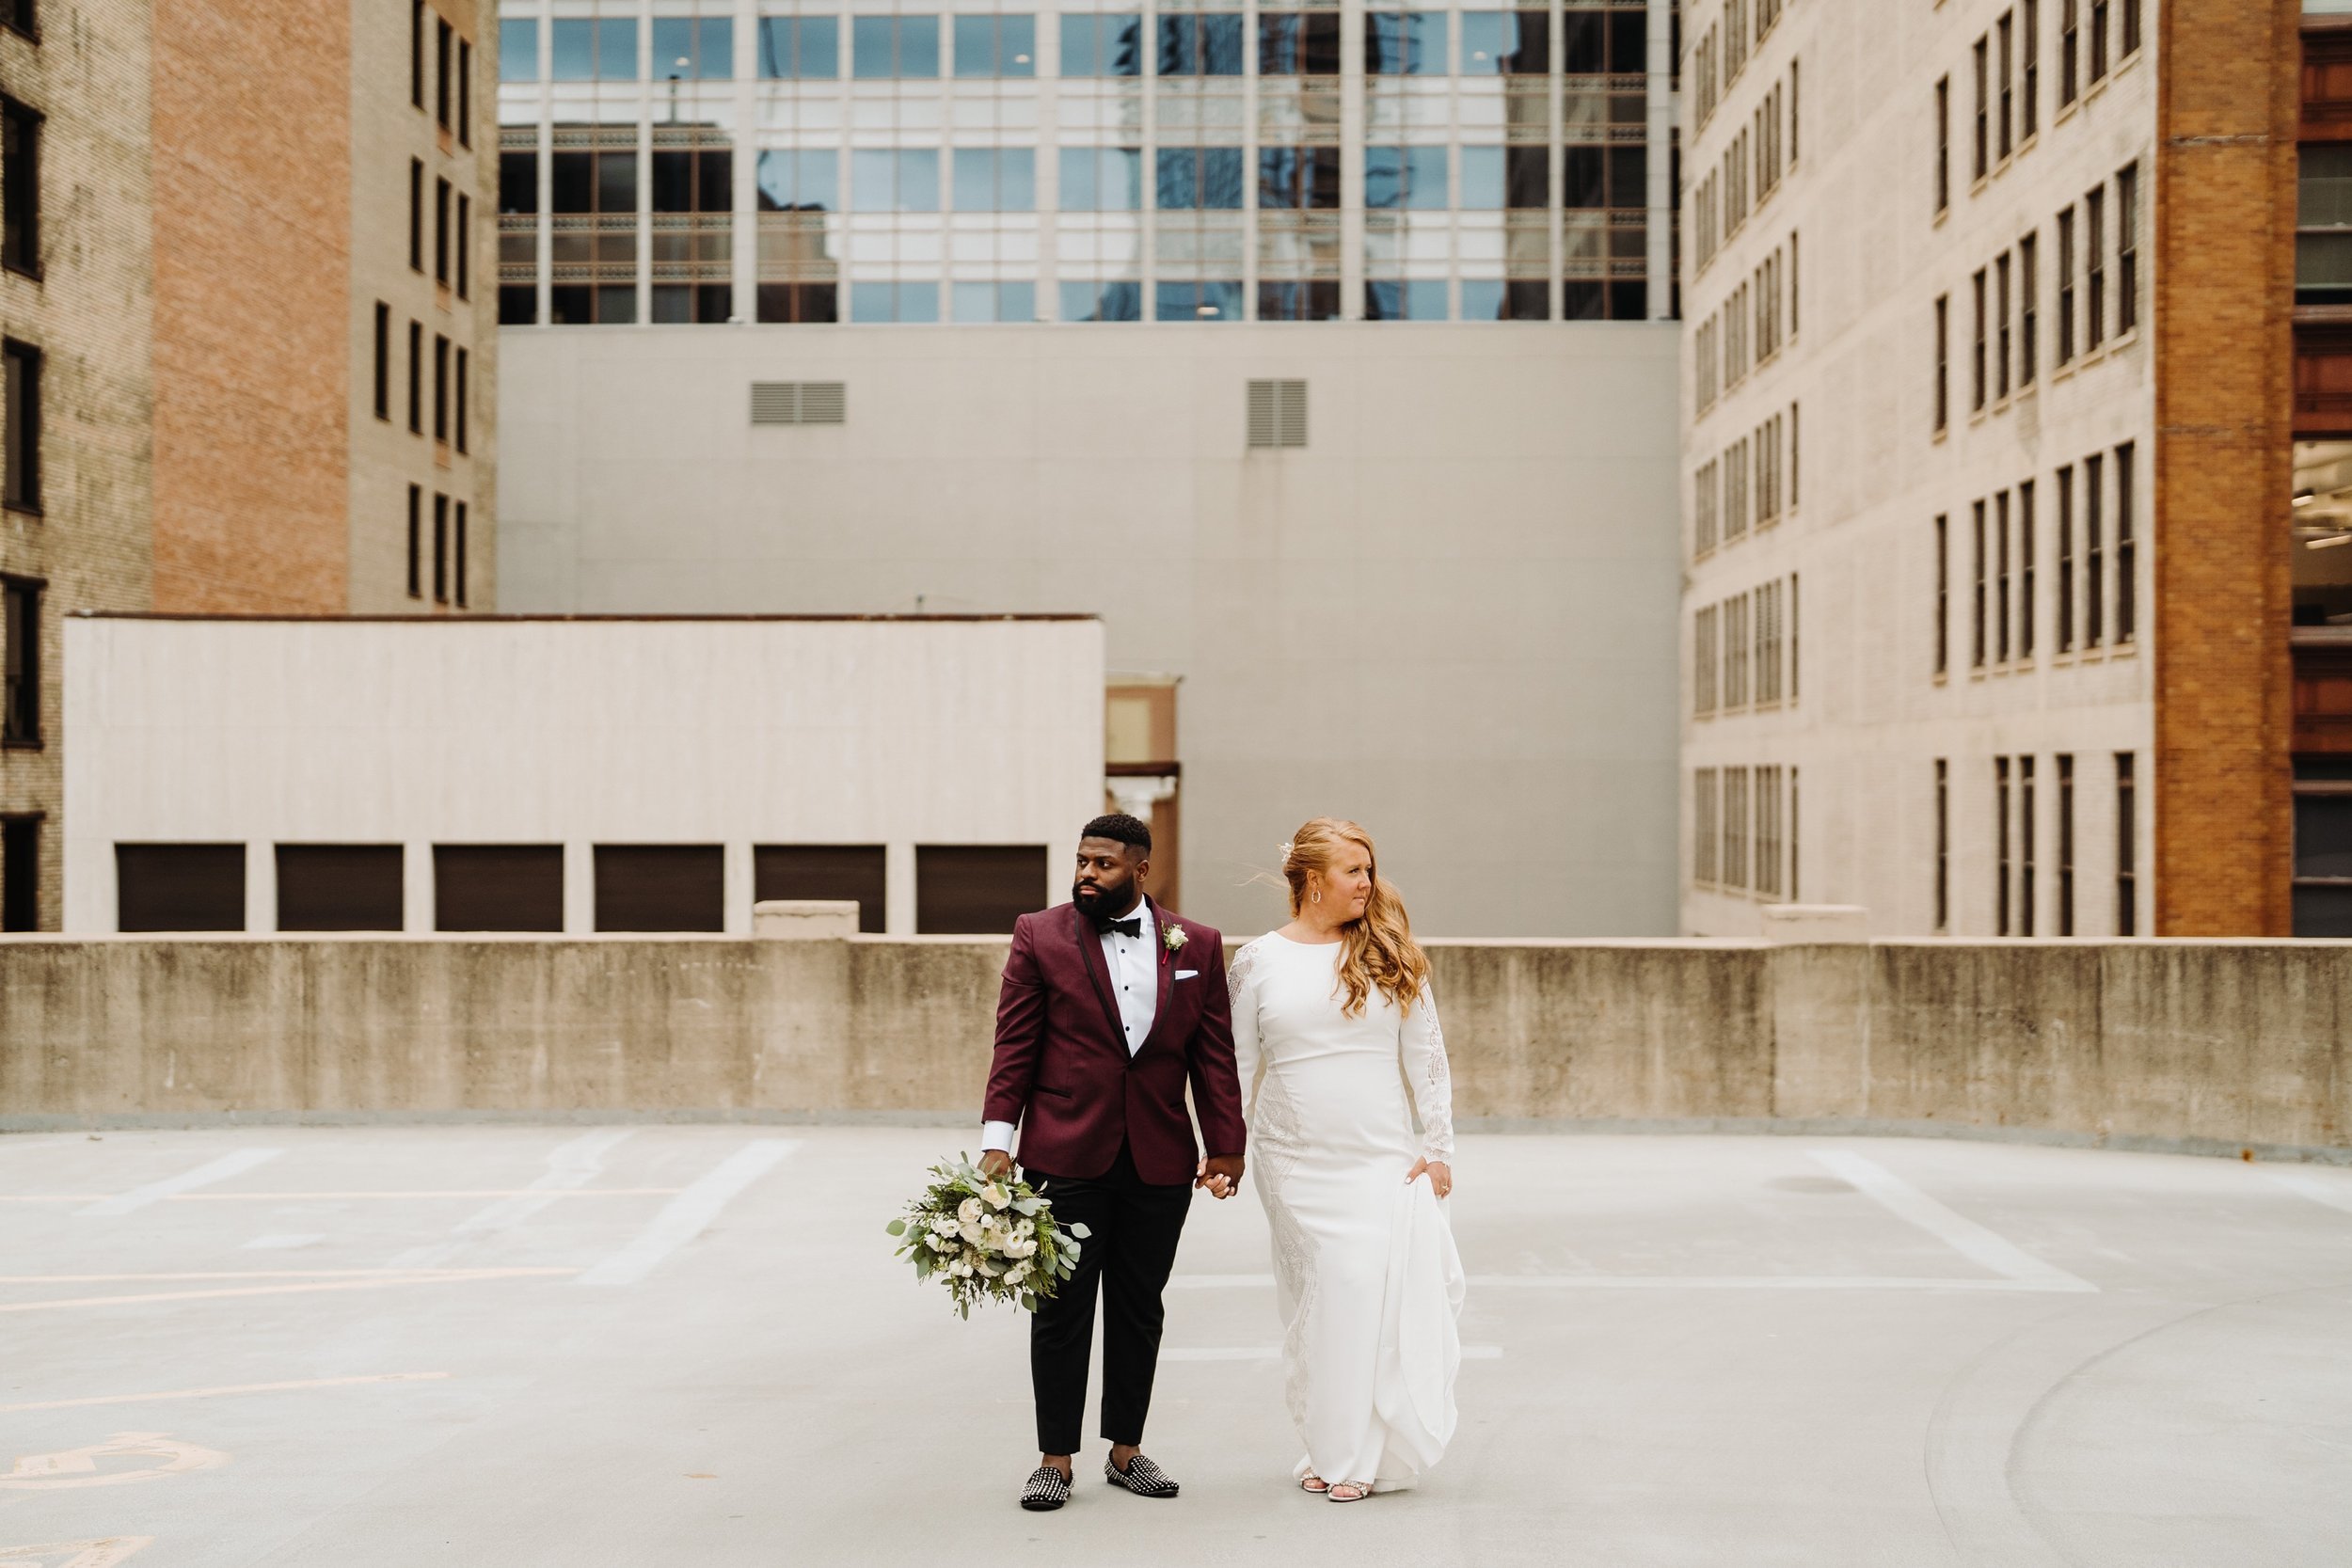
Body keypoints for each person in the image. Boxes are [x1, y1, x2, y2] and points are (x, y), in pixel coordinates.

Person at [977, 814, 1248, 1512]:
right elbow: (1015, 1046)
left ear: (1140, 869)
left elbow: (1213, 1055)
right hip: (1065, 1151)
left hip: (1159, 1158)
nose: (1086, 874)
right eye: (1082, 861)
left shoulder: (1199, 944)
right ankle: (1055, 1459)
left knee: (1139, 1307)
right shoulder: (1040, 934)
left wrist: (1226, 1145)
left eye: (1102, 863)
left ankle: (1126, 1450)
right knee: (1061, 1309)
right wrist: (997, 1140)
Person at [1227, 816, 1464, 1502]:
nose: (1368, 881)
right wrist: (1226, 1148)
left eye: (1368, 868)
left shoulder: (1391, 953)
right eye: (1353, 870)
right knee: (1324, 1297)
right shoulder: (1257, 960)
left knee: (1366, 1291)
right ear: (1310, 880)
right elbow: (1238, 1065)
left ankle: (1354, 1454)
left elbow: (1428, 1056)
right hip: (1293, 1158)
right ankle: (1331, 1444)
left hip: (1381, 1156)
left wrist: (1438, 1146)